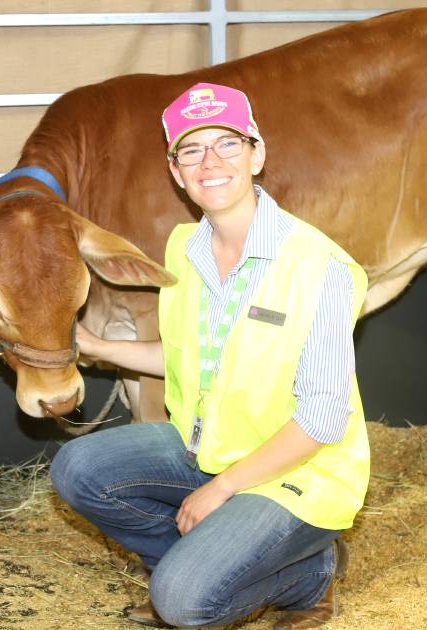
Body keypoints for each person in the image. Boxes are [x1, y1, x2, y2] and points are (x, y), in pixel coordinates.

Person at [51, 82, 370, 629]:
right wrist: (99, 349)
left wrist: (222, 488)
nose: (210, 162)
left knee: (186, 604)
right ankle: (187, 560)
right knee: (77, 468)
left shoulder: (321, 266)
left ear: (257, 153)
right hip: (211, 450)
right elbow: (189, 359)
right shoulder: (184, 248)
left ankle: (308, 573)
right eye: (191, 150)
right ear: (176, 171)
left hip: (301, 473)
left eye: (227, 143)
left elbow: (320, 418)